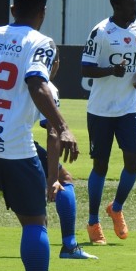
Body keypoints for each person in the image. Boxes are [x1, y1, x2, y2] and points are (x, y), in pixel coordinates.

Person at [0, 0, 79, 271]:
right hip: (13, 145)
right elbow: (36, 82)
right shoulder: (41, 43)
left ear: (13, 10)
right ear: (43, 13)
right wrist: (63, 126)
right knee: (34, 221)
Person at [81, 0, 136, 245]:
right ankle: (93, 222)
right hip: (100, 110)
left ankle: (116, 208)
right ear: (117, 7)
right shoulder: (100, 32)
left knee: (134, 160)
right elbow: (85, 69)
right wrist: (110, 70)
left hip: (130, 106)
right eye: (132, 4)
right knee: (101, 166)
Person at [35, 47, 98, 259]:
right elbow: (53, 132)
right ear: (55, 64)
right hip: (14, 143)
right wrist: (52, 177)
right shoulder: (47, 87)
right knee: (63, 179)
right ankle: (69, 246)